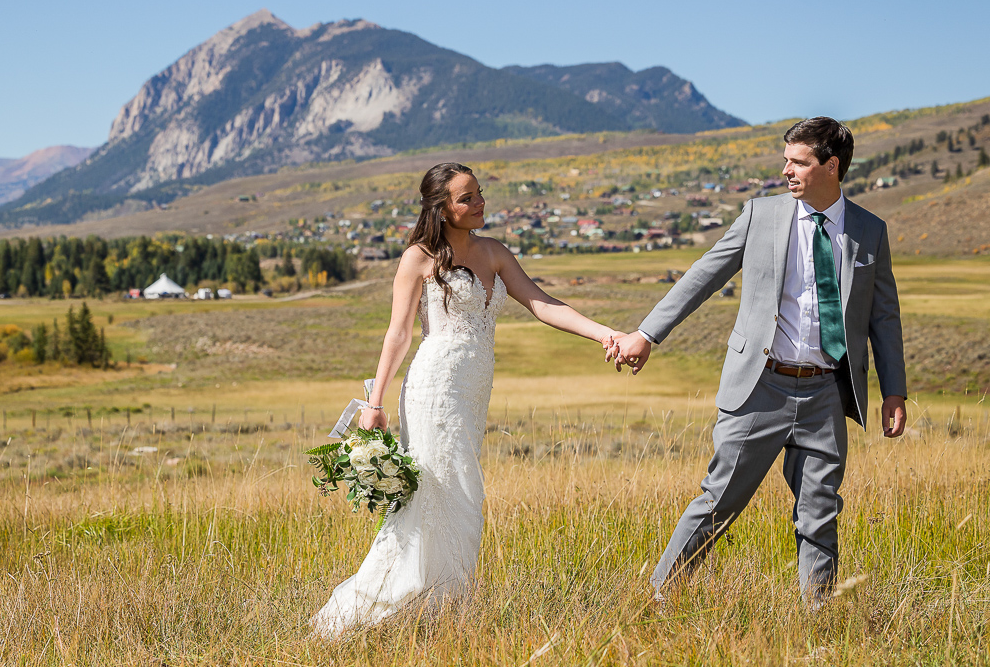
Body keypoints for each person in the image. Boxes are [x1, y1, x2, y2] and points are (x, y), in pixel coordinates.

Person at [310, 162, 624, 637]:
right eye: (466, 198)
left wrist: (607, 334)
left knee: (458, 492)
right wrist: (374, 403)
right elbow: (397, 334)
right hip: (433, 388)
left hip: (473, 391)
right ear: (441, 208)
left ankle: (440, 608)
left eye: (479, 193)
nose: (479, 203)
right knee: (442, 490)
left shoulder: (493, 252)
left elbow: (541, 303)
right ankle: (378, 608)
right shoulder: (417, 258)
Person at [612, 117, 907, 604]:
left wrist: (893, 389)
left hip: (827, 394)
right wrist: (647, 333)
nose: (786, 170)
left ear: (831, 167)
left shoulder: (869, 232)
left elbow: (885, 315)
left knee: (820, 510)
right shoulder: (760, 215)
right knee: (718, 500)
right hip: (760, 387)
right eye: (785, 160)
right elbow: (704, 275)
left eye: (798, 162)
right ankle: (658, 597)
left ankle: (819, 617)